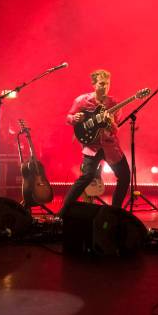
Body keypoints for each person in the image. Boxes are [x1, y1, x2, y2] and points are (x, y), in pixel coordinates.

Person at [60, 69, 130, 215]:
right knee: (86, 177)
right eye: (101, 84)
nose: (105, 87)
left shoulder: (114, 103)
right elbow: (68, 117)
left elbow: (115, 130)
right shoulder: (82, 100)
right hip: (91, 146)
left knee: (124, 176)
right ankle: (63, 213)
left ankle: (114, 213)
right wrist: (75, 118)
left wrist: (110, 123)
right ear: (94, 84)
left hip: (109, 146)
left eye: (107, 84)